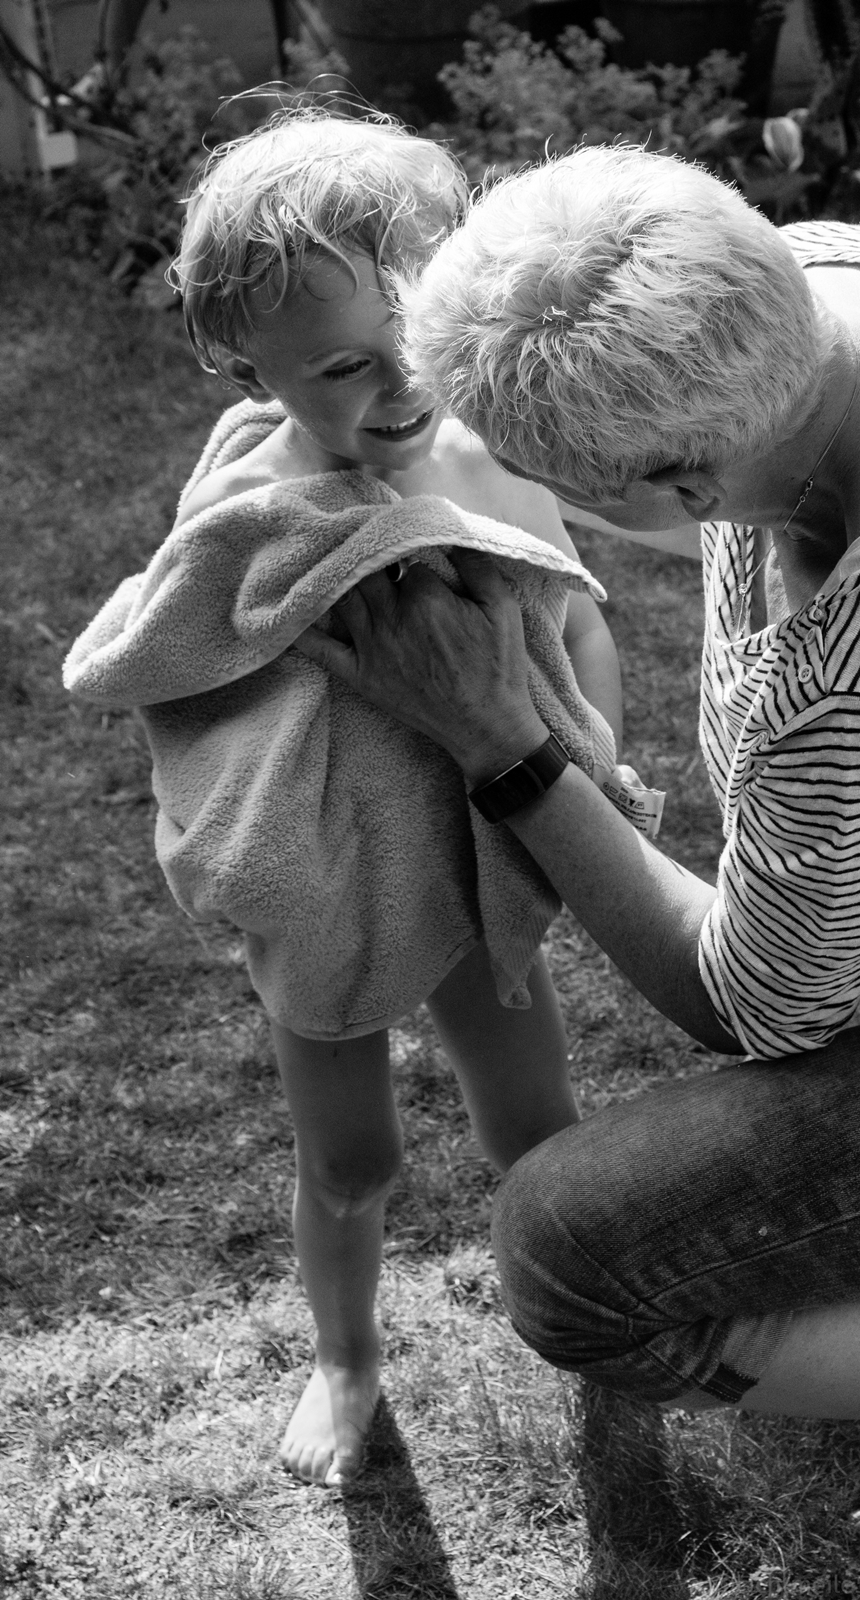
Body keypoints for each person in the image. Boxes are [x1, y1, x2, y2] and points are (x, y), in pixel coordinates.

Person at [298, 143, 860, 1586]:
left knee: (572, 1255)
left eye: (547, 483)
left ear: (684, 481)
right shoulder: (850, 281)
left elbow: (759, 1003)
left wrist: (504, 742)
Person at [63, 115, 623, 1489]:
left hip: (477, 850)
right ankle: (346, 1357)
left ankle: (607, 1317)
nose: (400, 384)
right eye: (342, 366)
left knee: (537, 1130)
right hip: (326, 874)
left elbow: (576, 617)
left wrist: (593, 751)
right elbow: (185, 660)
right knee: (352, 1162)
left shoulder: (490, 462)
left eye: (415, 338)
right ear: (244, 367)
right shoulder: (257, 511)